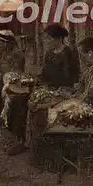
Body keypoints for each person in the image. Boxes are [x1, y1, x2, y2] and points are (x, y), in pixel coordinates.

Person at [28, 23, 79, 157]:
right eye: (46, 38)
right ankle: (39, 149)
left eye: (49, 38)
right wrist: (40, 83)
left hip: (64, 92)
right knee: (32, 104)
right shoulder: (49, 54)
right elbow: (45, 74)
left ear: (58, 39)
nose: (47, 41)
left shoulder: (67, 53)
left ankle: (49, 150)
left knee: (41, 110)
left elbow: (72, 77)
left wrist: (60, 90)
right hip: (50, 89)